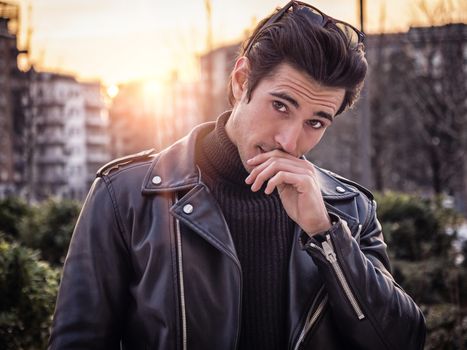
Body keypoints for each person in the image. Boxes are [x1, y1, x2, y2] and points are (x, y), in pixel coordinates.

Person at [49, 1, 426, 349]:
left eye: (315, 122)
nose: (289, 140)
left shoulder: (351, 210)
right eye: (280, 105)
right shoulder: (125, 197)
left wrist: (326, 235)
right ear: (241, 80)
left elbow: (403, 341)